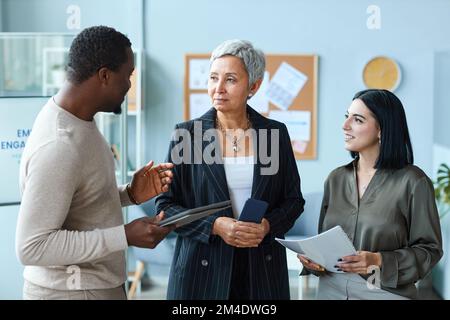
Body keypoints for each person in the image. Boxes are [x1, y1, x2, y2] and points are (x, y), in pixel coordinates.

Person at [16, 26, 175, 300]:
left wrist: (129, 194)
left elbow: (75, 201)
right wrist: (124, 235)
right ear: (104, 75)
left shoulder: (81, 121)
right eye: (127, 76)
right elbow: (32, 246)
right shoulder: (59, 145)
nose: (128, 85)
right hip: (71, 293)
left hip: (90, 288)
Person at [156, 39, 305, 300]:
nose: (218, 88)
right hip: (201, 269)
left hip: (261, 268)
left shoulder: (274, 134)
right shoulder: (188, 135)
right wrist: (215, 225)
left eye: (231, 80)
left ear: (254, 86)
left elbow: (293, 201)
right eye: (214, 78)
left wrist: (268, 225)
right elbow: (166, 207)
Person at [298, 89, 443, 300]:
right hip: (330, 291)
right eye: (346, 116)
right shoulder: (335, 179)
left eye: (357, 120)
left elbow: (430, 251)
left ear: (382, 129)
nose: (345, 126)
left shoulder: (413, 182)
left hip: (382, 292)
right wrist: (315, 262)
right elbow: (327, 246)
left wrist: (379, 260)